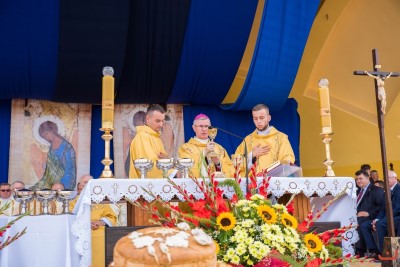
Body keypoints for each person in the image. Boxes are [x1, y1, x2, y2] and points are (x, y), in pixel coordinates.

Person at [235, 104, 295, 176]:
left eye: (261, 118)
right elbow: (236, 163)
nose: (259, 121)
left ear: (269, 118)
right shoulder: (247, 140)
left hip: (274, 181)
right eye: (255, 118)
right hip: (253, 184)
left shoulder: (281, 138)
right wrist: (252, 155)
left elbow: (288, 159)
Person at [178, 114, 234, 178]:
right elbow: (185, 170)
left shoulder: (219, 148)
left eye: (207, 126)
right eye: (201, 126)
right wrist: (204, 153)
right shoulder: (185, 148)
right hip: (195, 186)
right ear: (194, 128)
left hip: (215, 186)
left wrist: (218, 164)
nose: (204, 129)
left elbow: (230, 170)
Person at [31, 121, 77, 190]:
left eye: (47, 133)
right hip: (50, 180)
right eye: (44, 136)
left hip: (64, 180)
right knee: (33, 190)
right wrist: (46, 167)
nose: (47, 137)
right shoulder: (51, 148)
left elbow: (69, 169)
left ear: (52, 130)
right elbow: (51, 167)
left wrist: (62, 185)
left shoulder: (67, 147)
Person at [128, 104, 170, 178]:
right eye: (158, 121)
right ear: (148, 119)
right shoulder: (142, 137)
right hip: (145, 186)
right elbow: (149, 167)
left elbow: (161, 159)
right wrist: (173, 173)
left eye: (162, 121)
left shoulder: (156, 137)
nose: (161, 125)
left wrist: (166, 160)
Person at [353, 170, 384, 258]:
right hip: (359, 217)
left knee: (360, 222)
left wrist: (368, 213)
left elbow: (381, 206)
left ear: (367, 178)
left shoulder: (376, 190)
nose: (358, 181)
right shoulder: (358, 191)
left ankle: (368, 250)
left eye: (361, 178)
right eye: (357, 179)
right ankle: (352, 249)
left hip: (373, 217)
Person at [369, 170, 400, 255]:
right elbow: (383, 209)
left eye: (388, 177)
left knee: (381, 224)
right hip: (390, 217)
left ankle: (384, 253)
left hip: (397, 216)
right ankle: (384, 252)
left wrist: (382, 220)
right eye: (384, 178)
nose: (386, 180)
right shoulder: (386, 191)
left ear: (395, 178)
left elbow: (397, 209)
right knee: (377, 223)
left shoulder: (399, 189)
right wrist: (377, 219)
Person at [124, 111, 146, 176]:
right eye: (135, 125)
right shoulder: (136, 140)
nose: (137, 127)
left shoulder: (150, 137)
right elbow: (128, 165)